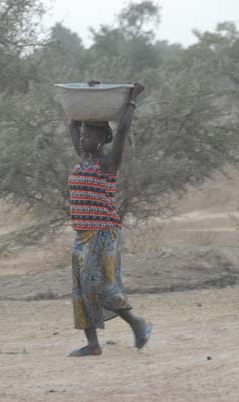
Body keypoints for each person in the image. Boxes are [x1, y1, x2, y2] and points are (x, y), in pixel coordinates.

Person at [67, 81, 151, 357]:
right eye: (83, 135)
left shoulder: (107, 164)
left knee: (101, 286)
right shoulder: (82, 159)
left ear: (102, 138)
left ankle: (137, 323)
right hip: (82, 234)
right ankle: (93, 345)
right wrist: (86, 98)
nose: (82, 138)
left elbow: (123, 129)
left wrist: (132, 99)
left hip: (103, 233)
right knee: (81, 290)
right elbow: (72, 124)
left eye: (89, 135)